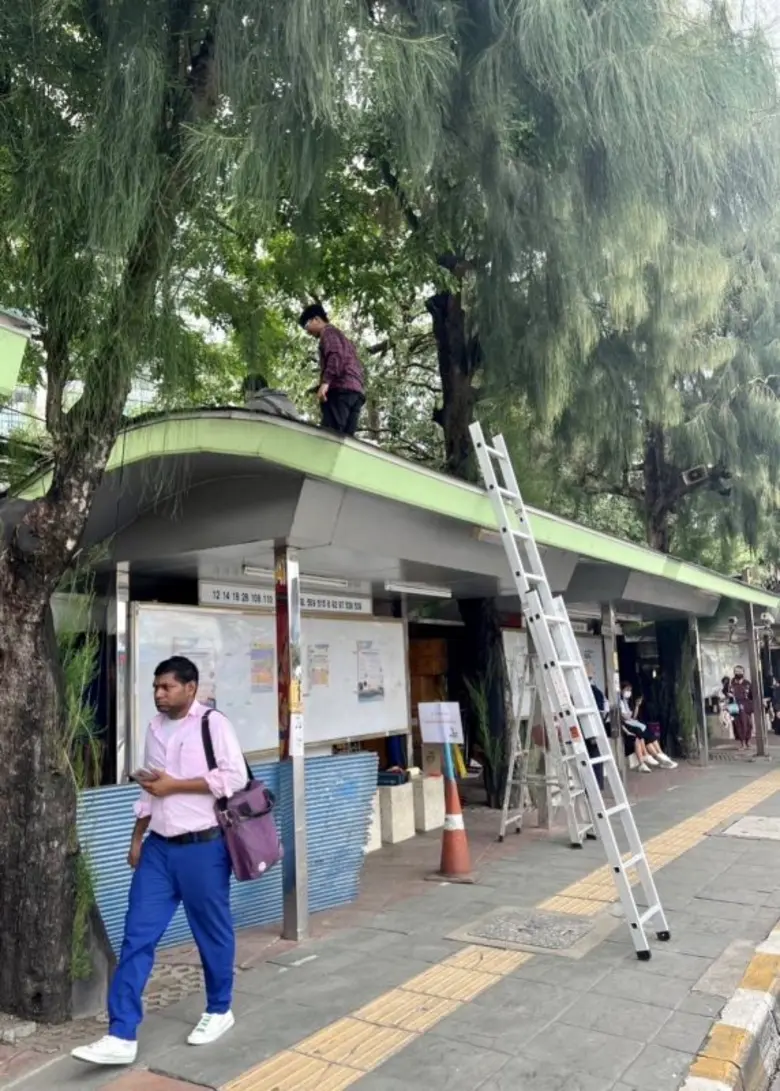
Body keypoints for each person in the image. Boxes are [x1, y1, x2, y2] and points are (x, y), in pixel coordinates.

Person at [72, 656, 247, 1067]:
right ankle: (121, 1033)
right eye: (156, 687)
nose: (159, 694)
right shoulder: (153, 728)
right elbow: (152, 789)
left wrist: (176, 786)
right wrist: (137, 838)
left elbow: (233, 777)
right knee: (137, 937)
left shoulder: (212, 724)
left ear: (190, 688)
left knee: (211, 933)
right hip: (159, 849)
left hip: (204, 848)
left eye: (167, 687)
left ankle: (219, 1009)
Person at [299, 303, 366, 436]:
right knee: (346, 441)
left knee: (329, 437)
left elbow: (335, 355)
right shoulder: (343, 338)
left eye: (306, 326)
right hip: (356, 393)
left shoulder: (328, 332)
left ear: (316, 319)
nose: (307, 332)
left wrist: (325, 383)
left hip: (340, 391)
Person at [620, 682, 677, 773]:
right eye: (627, 690)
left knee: (648, 732)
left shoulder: (626, 702)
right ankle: (656, 756)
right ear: (621, 690)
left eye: (630, 690)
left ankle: (660, 754)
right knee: (642, 733)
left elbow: (633, 717)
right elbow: (624, 717)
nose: (628, 692)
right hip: (627, 725)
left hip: (633, 723)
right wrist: (627, 715)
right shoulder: (618, 702)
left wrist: (637, 706)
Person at [585, 661, 610, 789]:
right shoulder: (597, 691)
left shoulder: (589, 691)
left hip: (588, 729)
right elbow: (605, 710)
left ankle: (593, 786)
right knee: (595, 756)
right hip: (596, 728)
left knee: (591, 757)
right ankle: (597, 785)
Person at [730, 665, 754, 748]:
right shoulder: (731, 684)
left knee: (748, 724)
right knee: (738, 724)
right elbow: (727, 695)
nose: (738, 673)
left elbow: (752, 695)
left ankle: (748, 741)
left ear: (743, 672)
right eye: (736, 671)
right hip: (734, 705)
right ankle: (742, 743)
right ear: (734, 672)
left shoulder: (747, 683)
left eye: (740, 671)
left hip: (746, 705)